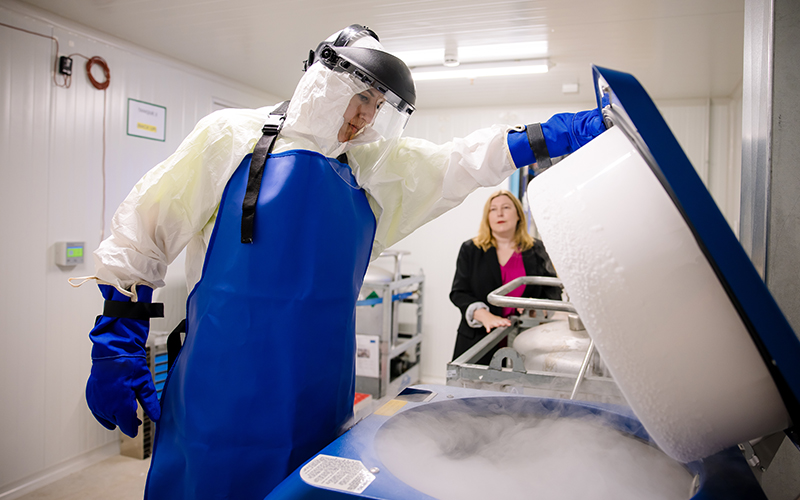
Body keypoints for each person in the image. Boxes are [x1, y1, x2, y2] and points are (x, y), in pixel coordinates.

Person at [79, 24, 606, 499]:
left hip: (319, 392)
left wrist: (556, 135)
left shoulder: (373, 170)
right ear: (322, 81)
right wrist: (117, 342)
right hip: (220, 388)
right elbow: (146, 230)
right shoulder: (231, 137)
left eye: (378, 106)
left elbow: (466, 160)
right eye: (362, 97)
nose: (366, 116)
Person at [450, 190, 562, 365]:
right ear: (487, 217)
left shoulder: (537, 249)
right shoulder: (471, 249)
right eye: (493, 209)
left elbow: (553, 290)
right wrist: (481, 314)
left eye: (506, 207)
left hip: (525, 338)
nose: (499, 213)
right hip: (479, 337)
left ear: (518, 214)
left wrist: (539, 308)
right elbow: (459, 292)